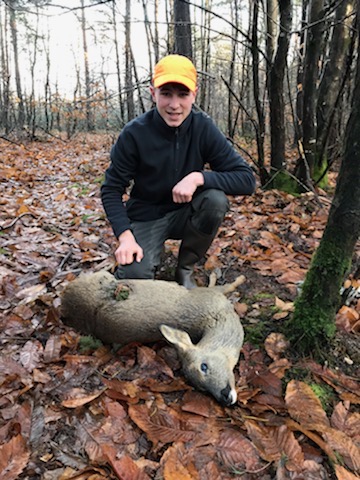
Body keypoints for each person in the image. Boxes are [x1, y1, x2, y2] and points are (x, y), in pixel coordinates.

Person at [101, 54, 256, 288]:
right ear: (153, 93)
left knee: (215, 200)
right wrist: (125, 237)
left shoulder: (202, 127)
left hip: (187, 212)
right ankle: (147, 253)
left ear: (194, 94)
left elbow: (246, 180)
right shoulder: (134, 134)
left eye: (183, 95)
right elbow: (111, 189)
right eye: (166, 94)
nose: (175, 105)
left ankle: (184, 268)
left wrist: (198, 177)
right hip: (146, 216)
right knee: (134, 282)